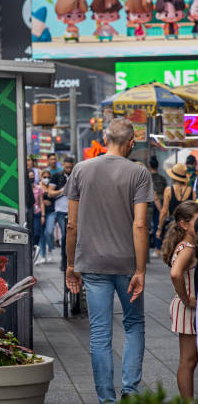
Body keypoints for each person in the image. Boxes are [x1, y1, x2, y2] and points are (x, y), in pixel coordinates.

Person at [65, 118, 153, 403]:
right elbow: (140, 226)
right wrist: (140, 269)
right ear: (130, 143)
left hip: (92, 263)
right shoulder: (138, 173)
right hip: (127, 263)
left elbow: (71, 225)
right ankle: (130, 390)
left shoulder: (80, 170)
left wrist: (70, 264)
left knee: (100, 332)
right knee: (134, 324)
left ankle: (106, 398)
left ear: (104, 141)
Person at [161, 201, 198, 399]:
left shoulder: (187, 244)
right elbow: (175, 274)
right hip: (189, 309)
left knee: (189, 360)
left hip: (187, 307)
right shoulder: (188, 247)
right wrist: (186, 299)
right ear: (184, 224)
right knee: (188, 361)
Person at [157, 163, 196, 241]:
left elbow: (164, 211)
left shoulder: (168, 190)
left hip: (173, 227)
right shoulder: (191, 191)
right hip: (187, 228)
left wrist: (159, 228)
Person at [48, 157, 75, 270]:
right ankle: (64, 260)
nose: (68, 169)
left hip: (74, 210)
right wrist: (62, 190)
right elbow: (50, 193)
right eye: (66, 167)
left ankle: (71, 260)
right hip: (61, 210)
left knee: (73, 235)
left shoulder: (76, 175)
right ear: (63, 165)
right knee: (65, 235)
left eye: (70, 167)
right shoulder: (57, 176)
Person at [149, 157, 167, 258]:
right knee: (159, 225)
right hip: (162, 202)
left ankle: (157, 248)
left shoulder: (148, 177)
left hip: (152, 204)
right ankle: (158, 247)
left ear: (150, 165)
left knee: (152, 226)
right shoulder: (162, 178)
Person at [39, 169, 55, 264]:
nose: (47, 179)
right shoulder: (38, 187)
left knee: (49, 232)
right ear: (41, 177)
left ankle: (50, 249)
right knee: (42, 234)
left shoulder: (52, 186)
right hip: (41, 213)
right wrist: (43, 202)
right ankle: (42, 254)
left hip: (51, 212)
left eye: (48, 177)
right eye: (44, 177)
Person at [30, 169, 45, 263]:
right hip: (28, 213)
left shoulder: (38, 188)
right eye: (29, 176)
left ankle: (35, 251)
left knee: (37, 234)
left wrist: (43, 215)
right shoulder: (24, 189)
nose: (31, 177)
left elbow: (41, 202)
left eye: (33, 176)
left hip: (37, 213)